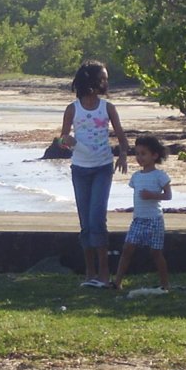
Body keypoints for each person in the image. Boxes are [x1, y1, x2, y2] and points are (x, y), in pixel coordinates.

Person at [58, 60, 129, 287]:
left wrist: (124, 155)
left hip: (102, 167)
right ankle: (90, 272)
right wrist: (66, 142)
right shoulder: (72, 109)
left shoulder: (107, 107)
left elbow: (121, 135)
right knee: (86, 222)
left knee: (97, 218)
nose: (107, 82)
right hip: (80, 169)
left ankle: (105, 272)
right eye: (104, 78)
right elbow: (62, 140)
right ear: (93, 81)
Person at [112, 136, 172, 293]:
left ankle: (165, 284)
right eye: (137, 154)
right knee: (127, 249)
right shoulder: (136, 177)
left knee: (156, 252)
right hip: (138, 219)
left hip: (154, 219)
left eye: (143, 154)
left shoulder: (160, 176)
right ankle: (117, 281)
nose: (139, 158)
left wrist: (152, 195)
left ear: (154, 155)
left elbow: (168, 196)